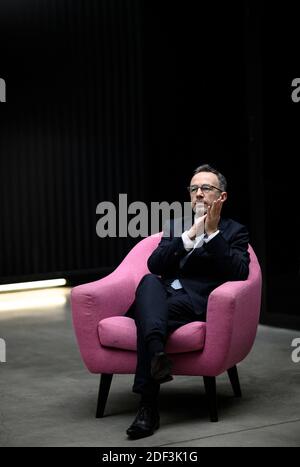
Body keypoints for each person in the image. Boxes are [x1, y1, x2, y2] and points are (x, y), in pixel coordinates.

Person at [125, 164, 250, 439]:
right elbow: (154, 264)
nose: (199, 194)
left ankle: (147, 408)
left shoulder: (235, 232)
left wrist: (213, 233)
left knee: (149, 317)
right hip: (164, 296)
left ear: (222, 197)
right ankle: (158, 353)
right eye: (194, 189)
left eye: (206, 188)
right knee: (148, 282)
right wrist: (190, 234)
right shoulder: (176, 226)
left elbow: (240, 273)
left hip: (195, 302)